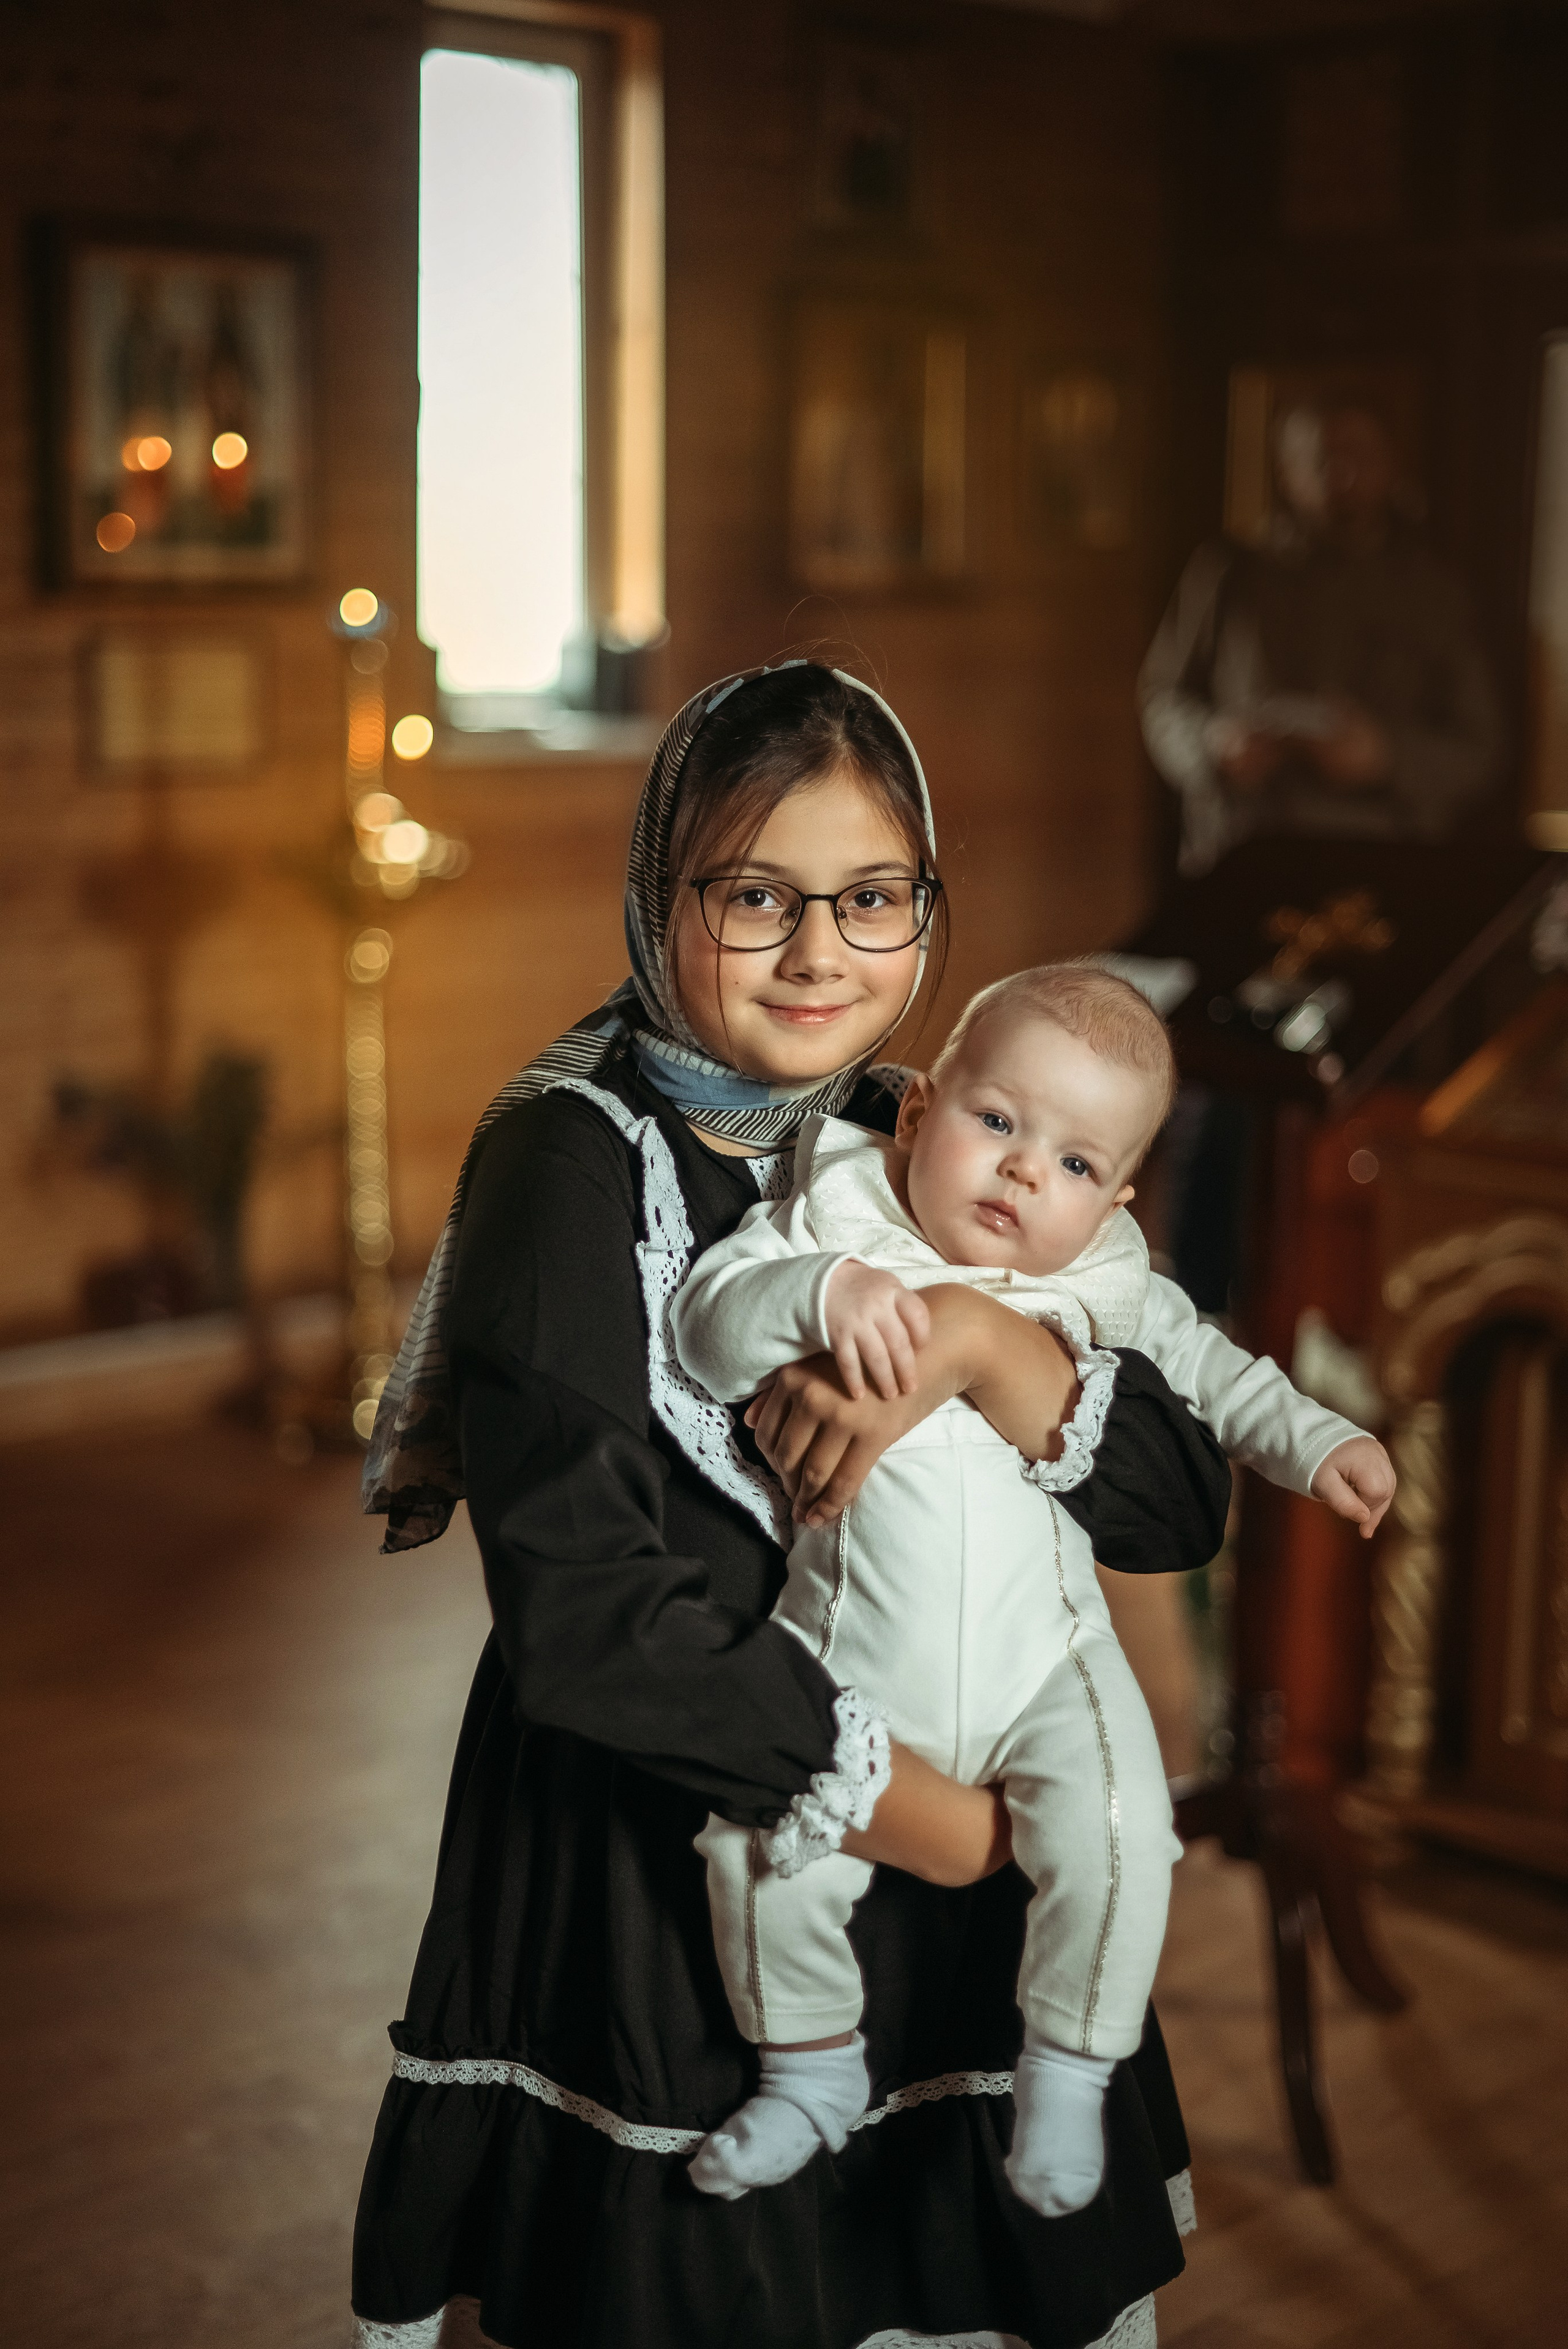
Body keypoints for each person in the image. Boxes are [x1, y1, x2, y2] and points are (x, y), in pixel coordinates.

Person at [352, 662, 1235, 2349]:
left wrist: (981, 1340)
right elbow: (599, 1619)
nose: (823, 955)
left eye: (873, 896)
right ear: (659, 893)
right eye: (757, 896)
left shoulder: (944, 1131)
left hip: (948, 1902)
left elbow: (1175, 1500)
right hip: (678, 1871)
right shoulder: (571, 1161)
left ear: (926, 908)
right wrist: (975, 1832)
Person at [671, 963, 1395, 2219]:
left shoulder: (1102, 1281)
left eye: (1071, 1164)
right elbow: (707, 1324)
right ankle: (808, 2068)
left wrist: (1319, 1441)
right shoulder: (836, 1224)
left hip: (1045, 1663)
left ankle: (1067, 2069)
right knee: (758, 1849)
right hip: (846, 1659)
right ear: (916, 1113)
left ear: (1115, 1199)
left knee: (1120, 1827)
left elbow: (1218, 1378)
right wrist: (820, 1292)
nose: (1020, 1173)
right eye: (996, 1123)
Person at [1139, 398, 1504, 876]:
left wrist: (1385, 755)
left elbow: (1482, 748)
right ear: (1287, 471)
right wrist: (1212, 742)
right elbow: (1162, 697)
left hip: (1381, 856)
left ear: (1391, 465)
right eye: (1321, 458)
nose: (1342, 474)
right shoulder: (1228, 572)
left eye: (1359, 456)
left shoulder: (1435, 592)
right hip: (1238, 849)